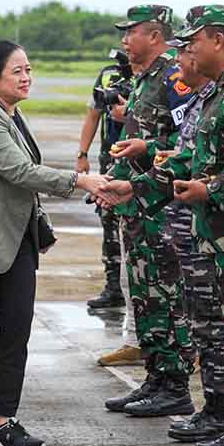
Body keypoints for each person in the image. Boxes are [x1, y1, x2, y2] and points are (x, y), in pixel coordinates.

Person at [106, 5, 224, 446]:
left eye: (194, 41)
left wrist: (213, 189)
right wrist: (138, 186)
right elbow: (192, 159)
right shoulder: (218, 91)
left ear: (218, 41)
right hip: (218, 235)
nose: (187, 49)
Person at [0, 40, 112, 446]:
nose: (26, 77)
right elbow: (20, 172)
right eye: (17, 71)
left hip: (13, 243)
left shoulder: (14, 115)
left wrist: (39, 229)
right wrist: (80, 180)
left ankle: (4, 421)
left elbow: (22, 188)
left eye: (29, 69)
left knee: (16, 330)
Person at [103, 5, 197, 418]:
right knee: (145, 298)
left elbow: (187, 139)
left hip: (163, 208)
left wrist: (148, 150)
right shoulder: (144, 80)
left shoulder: (176, 77)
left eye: (132, 33)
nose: (125, 40)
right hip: (137, 205)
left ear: (156, 36)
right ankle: (156, 378)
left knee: (165, 296)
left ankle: (174, 383)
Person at [164, 36, 224, 444]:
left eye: (187, 51)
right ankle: (216, 409)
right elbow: (189, 157)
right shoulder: (207, 96)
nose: (182, 60)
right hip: (198, 229)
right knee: (204, 321)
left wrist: (211, 191)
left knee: (221, 325)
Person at [76, 54, 127, 315]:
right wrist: (82, 154)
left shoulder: (165, 75)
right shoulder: (109, 75)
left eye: (132, 33)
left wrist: (128, 114)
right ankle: (113, 287)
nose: (127, 42)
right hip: (110, 160)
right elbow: (93, 115)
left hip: (140, 164)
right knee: (108, 221)